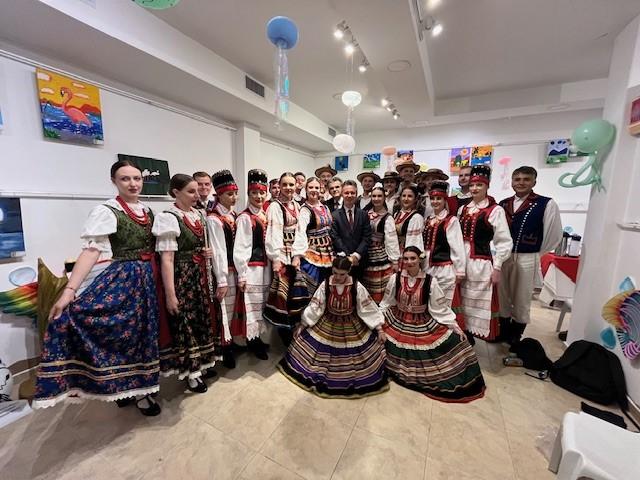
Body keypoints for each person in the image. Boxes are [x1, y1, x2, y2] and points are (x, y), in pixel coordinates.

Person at [33, 160, 162, 416]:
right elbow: (91, 251)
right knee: (121, 335)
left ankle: (139, 389)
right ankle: (125, 388)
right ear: (114, 181)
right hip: (124, 280)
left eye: (137, 178)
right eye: (125, 179)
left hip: (148, 279)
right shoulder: (108, 211)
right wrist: (69, 291)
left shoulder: (148, 211)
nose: (133, 183)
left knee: (142, 336)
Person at [380, 246, 486, 403]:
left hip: (420, 321)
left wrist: (454, 326)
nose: (409, 262)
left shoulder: (430, 281)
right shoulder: (395, 278)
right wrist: (378, 322)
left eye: (413, 258)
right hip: (397, 318)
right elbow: (387, 302)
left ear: (420, 260)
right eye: (406, 258)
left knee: (455, 341)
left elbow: (440, 309)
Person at [278, 256, 388, 398]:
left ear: (349, 271)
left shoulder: (356, 286)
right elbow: (316, 306)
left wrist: (379, 329)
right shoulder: (326, 285)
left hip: (350, 324)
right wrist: (303, 325)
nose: (338, 277)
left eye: (342, 274)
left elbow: (367, 308)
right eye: (335, 273)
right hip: (328, 322)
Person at [154, 174, 219, 395]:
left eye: (197, 190)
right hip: (182, 278)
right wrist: (170, 294)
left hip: (200, 276)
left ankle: (201, 364)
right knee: (186, 324)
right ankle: (191, 373)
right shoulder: (168, 217)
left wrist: (205, 252)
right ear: (176, 192)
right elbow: (167, 259)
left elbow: (198, 244)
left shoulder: (198, 214)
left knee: (201, 320)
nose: (197, 195)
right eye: (191, 191)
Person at [498, 166, 562, 344]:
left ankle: (515, 336)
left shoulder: (546, 203)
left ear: (534, 182)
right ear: (512, 182)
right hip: (504, 256)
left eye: (526, 179)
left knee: (522, 297)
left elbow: (553, 234)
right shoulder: (503, 204)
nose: (521, 183)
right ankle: (503, 331)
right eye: (517, 179)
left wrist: (536, 254)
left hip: (528, 256)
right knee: (502, 295)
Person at [458, 165, 513, 341]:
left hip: (480, 263)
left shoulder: (495, 210)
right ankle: (464, 336)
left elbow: (504, 241)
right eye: (472, 185)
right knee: (461, 300)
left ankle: (475, 335)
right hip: (461, 261)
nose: (474, 188)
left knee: (477, 301)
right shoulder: (463, 209)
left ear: (487, 186)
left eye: (479, 185)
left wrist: (497, 267)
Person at [264, 172, 306, 346]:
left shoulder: (297, 205)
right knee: (282, 295)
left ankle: (295, 331)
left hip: (294, 254)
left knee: (294, 294)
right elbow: (273, 233)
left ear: (296, 186)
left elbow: (301, 232)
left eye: (291, 184)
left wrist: (297, 255)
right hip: (281, 255)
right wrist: (276, 258)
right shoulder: (275, 207)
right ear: (279, 187)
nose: (288, 188)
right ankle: (285, 337)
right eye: (285, 184)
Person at [233, 169, 271, 360]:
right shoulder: (244, 218)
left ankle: (258, 338)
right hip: (252, 268)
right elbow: (241, 248)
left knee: (262, 304)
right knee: (252, 306)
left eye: (262, 193)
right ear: (248, 194)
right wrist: (242, 274)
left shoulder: (266, 214)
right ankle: (252, 341)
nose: (258, 196)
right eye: (254, 193)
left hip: (266, 267)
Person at [424, 180, 466, 329]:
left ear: (444, 200)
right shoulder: (428, 220)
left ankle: (448, 332)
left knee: (443, 302)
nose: (435, 202)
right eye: (433, 198)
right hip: (428, 267)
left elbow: (457, 246)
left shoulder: (451, 220)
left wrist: (460, 270)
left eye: (439, 199)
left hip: (444, 268)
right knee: (430, 300)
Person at [208, 169, 239, 368]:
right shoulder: (214, 219)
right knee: (224, 309)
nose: (234, 197)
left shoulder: (233, 214)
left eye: (235, 193)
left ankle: (233, 343)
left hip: (235, 268)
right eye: (229, 194)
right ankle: (225, 349)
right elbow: (218, 250)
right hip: (224, 269)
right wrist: (221, 279)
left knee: (234, 307)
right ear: (219, 195)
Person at [292, 177, 334, 295]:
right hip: (313, 250)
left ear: (320, 189)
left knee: (326, 284)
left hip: (328, 251)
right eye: (311, 187)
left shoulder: (325, 207)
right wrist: (297, 255)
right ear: (306, 189)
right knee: (311, 282)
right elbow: (300, 232)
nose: (314, 190)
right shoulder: (305, 210)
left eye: (316, 187)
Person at [362, 186, 400, 303]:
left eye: (379, 196)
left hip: (379, 255)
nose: (376, 198)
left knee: (378, 285)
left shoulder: (387, 218)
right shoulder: (365, 213)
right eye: (374, 196)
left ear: (384, 198)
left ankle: (379, 307)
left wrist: (394, 260)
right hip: (365, 253)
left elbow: (391, 240)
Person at [330, 180, 372, 280]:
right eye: (346, 193)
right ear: (342, 194)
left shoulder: (363, 214)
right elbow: (335, 237)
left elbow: (367, 237)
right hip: (342, 261)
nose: (349, 195)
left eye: (352, 193)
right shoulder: (334, 215)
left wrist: (356, 255)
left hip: (360, 261)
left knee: (358, 287)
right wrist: (349, 256)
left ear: (356, 194)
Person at [393, 184, 425, 251]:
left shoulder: (417, 217)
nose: (406, 199)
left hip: (407, 252)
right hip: (394, 250)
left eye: (410, 196)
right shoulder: (397, 214)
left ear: (415, 199)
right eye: (404, 196)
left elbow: (415, 241)